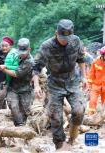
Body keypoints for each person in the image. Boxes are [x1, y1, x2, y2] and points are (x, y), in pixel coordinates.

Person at [32, 19, 86, 150]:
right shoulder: (47, 46)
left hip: (72, 81)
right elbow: (36, 67)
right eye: (62, 37)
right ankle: (60, 145)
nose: (65, 40)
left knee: (79, 111)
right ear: (56, 33)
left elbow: (81, 58)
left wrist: (84, 77)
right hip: (55, 83)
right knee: (56, 117)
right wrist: (37, 85)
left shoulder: (76, 41)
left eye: (67, 37)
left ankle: (72, 138)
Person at [0, 38, 34, 126]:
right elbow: (10, 65)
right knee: (13, 106)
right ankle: (19, 126)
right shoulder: (14, 55)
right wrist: (3, 66)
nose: (22, 55)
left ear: (29, 49)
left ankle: (21, 125)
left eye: (24, 53)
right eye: (20, 52)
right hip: (13, 88)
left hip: (25, 89)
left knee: (25, 110)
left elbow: (16, 73)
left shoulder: (29, 61)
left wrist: (2, 68)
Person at [0, 36, 14, 119]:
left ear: (10, 46)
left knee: (11, 100)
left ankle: (13, 114)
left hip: (14, 79)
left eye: (6, 46)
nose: (4, 48)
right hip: (2, 79)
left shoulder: (14, 54)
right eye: (3, 46)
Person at [87, 46, 105, 115]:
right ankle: (91, 116)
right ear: (102, 55)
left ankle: (103, 116)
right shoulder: (96, 62)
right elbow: (91, 75)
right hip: (96, 86)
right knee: (92, 101)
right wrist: (89, 85)